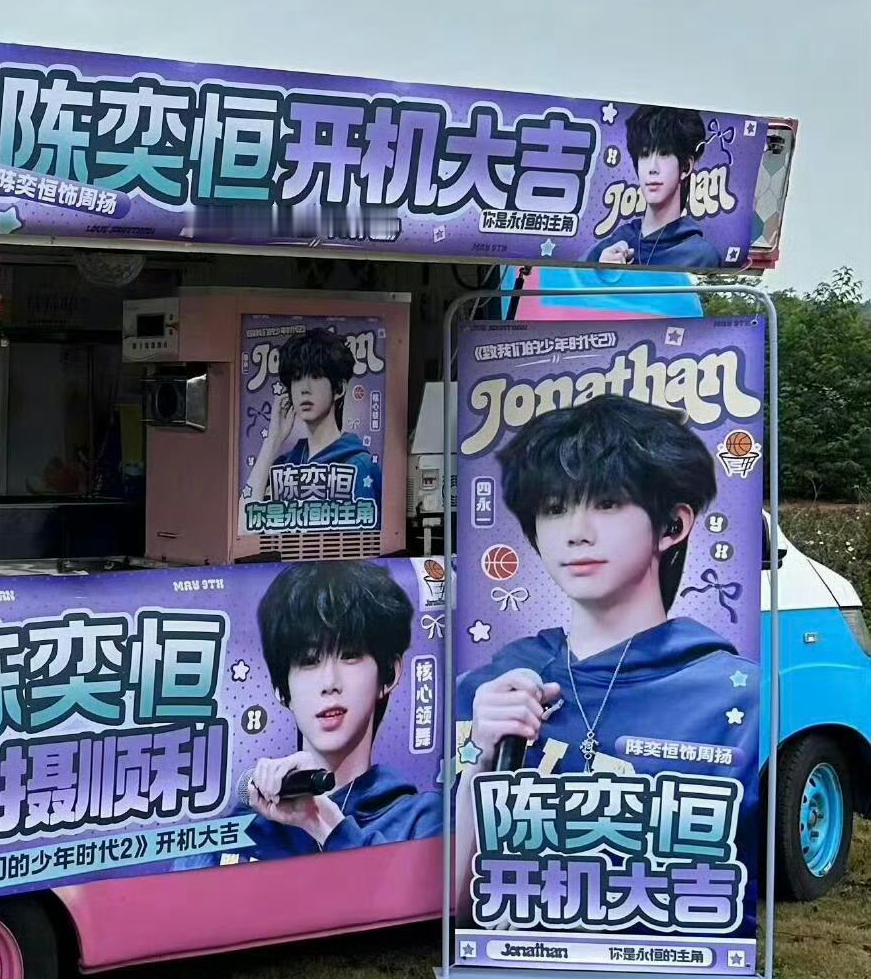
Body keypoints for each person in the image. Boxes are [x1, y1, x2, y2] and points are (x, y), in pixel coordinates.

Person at [455, 394, 757, 872]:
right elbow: (453, 899)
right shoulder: (490, 687)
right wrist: (480, 760)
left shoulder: (736, 698)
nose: (576, 532)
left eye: (608, 502)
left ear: (672, 524)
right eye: (555, 507)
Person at [242, 562, 441, 856]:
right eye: (308, 661)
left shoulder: (423, 819)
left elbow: (415, 885)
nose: (329, 683)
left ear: (389, 674)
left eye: (350, 656)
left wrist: (327, 826)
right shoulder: (247, 828)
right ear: (281, 689)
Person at [242, 325, 383, 520]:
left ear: (339, 388)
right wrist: (273, 440)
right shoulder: (283, 466)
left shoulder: (359, 466)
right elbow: (244, 524)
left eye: (315, 377)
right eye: (297, 378)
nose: (304, 389)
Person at [589, 106, 724, 270]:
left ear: (686, 167)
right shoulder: (612, 245)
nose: (652, 168)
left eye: (664, 153)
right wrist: (599, 275)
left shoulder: (701, 256)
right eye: (645, 154)